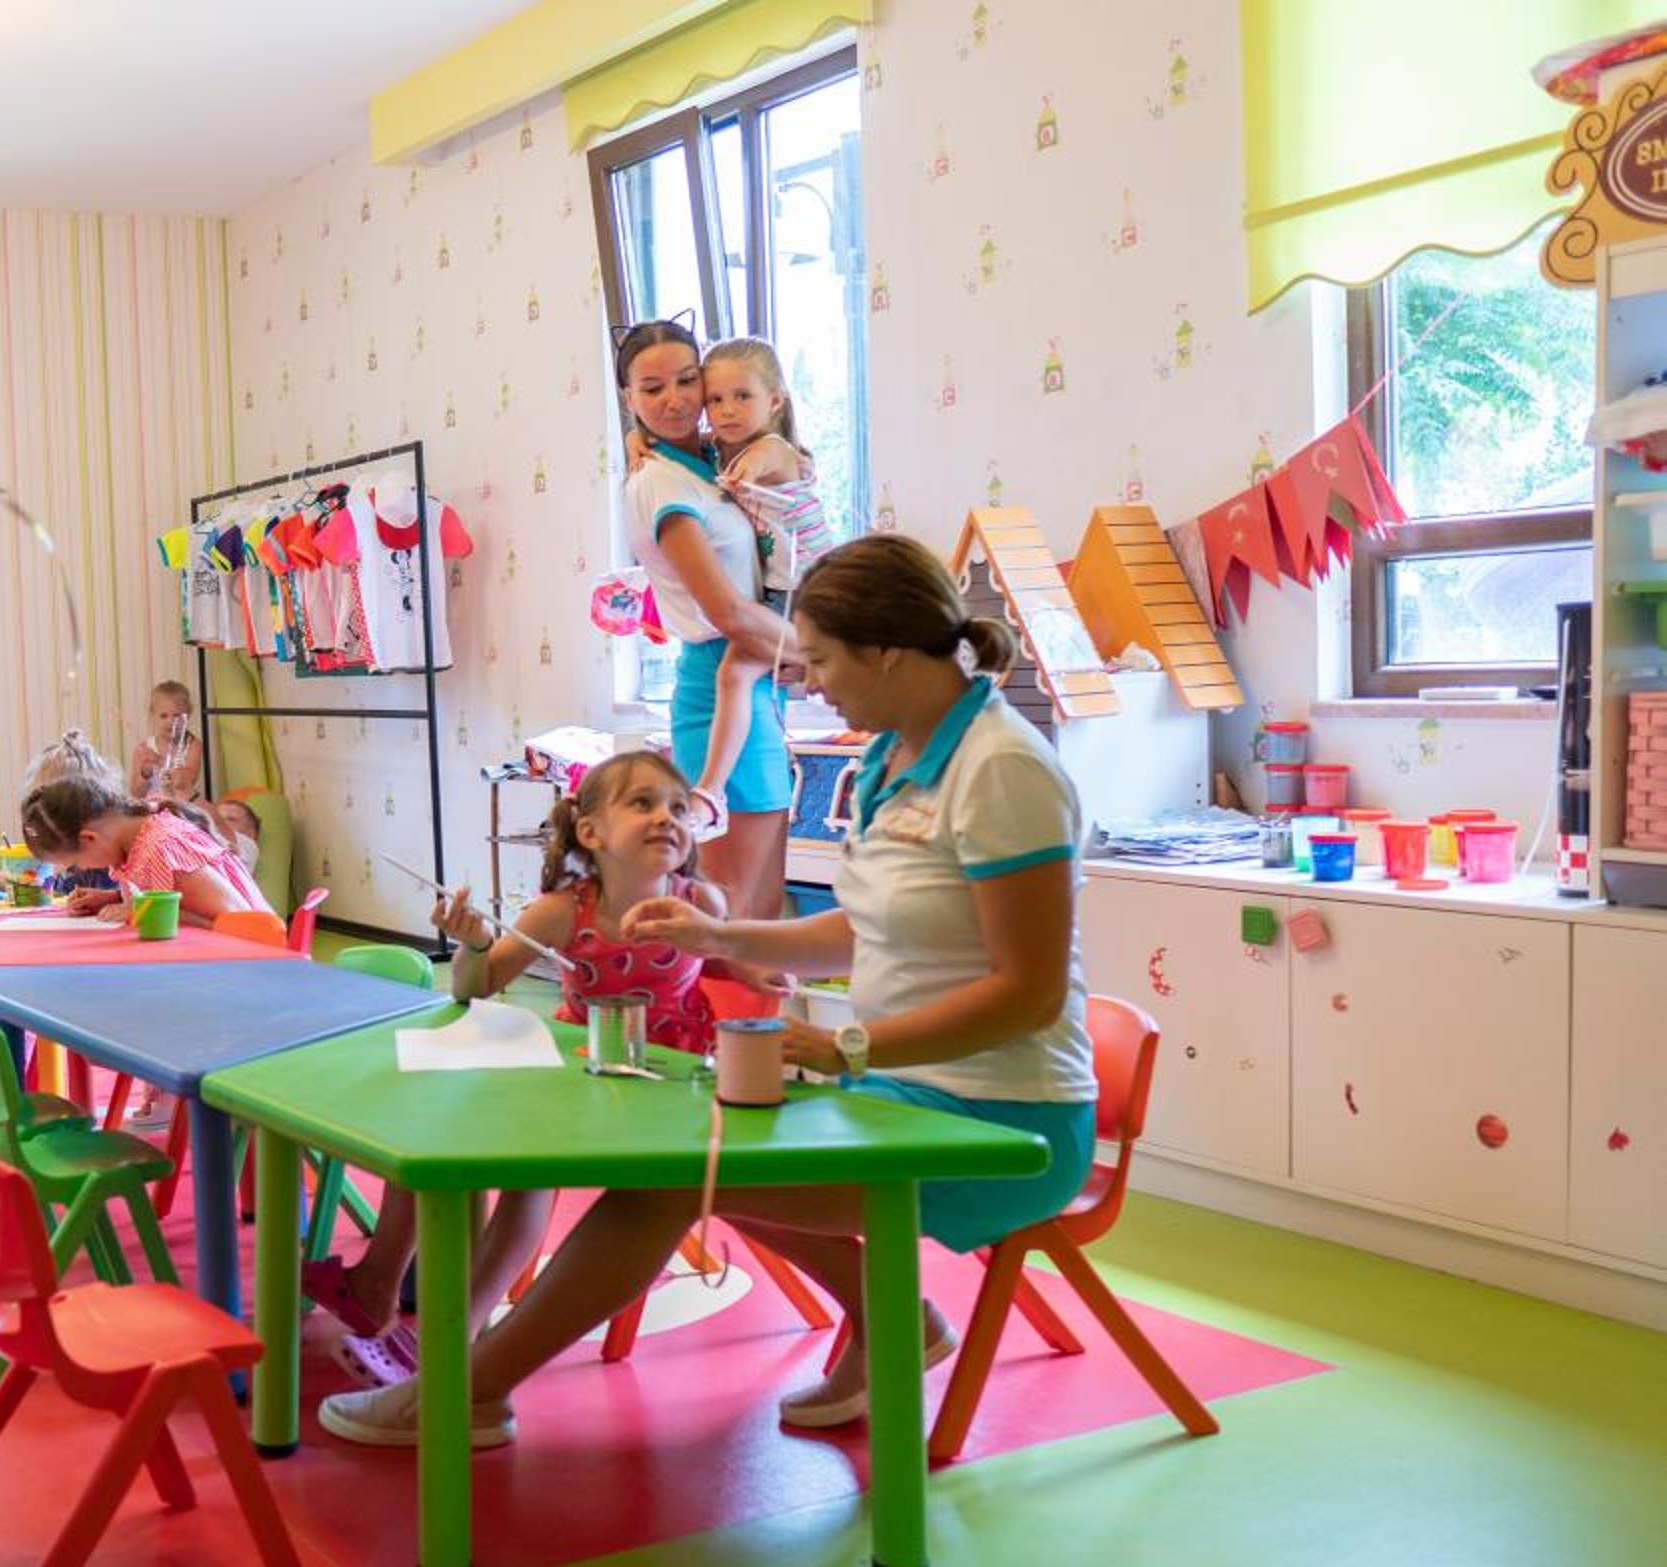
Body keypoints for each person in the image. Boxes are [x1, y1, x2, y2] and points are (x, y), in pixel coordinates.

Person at [317, 535, 1095, 1445]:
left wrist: (848, 1046)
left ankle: (462, 1396)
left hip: (1006, 1122)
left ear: (885, 651)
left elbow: (1028, 995)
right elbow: (860, 930)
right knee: (685, 1164)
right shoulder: (892, 759)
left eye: (821, 659)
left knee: (667, 1183)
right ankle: (886, 1313)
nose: (808, 682)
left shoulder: (1002, 769)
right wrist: (716, 936)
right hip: (900, 1093)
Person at [304, 750, 726, 1400]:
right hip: (583, 1077)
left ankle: (436, 1333)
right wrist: (474, 942)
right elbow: (475, 988)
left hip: (674, 1093)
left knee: (526, 1177)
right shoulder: (564, 911)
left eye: (677, 807)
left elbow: (738, 966)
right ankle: (436, 1330)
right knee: (461, 1128)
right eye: (643, 803)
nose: (667, 818)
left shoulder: (701, 903)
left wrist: (767, 977)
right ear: (591, 832)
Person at [617, 318, 797, 922]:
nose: (674, 400)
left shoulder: (715, 461)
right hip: (721, 680)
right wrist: (820, 656)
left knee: (760, 908)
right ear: (629, 398)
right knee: (733, 912)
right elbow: (726, 611)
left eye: (687, 381)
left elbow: (784, 460)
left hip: (758, 679)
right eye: (651, 389)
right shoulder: (659, 482)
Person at [692, 336, 841, 813]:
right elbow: (671, 440)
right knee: (745, 673)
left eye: (742, 396)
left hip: (810, 588)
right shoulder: (724, 447)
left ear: (774, 401)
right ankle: (712, 789)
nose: (726, 410)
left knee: (736, 672)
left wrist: (737, 478)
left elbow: (757, 464)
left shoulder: (775, 450)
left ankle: (709, 791)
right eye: (715, 400)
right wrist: (638, 439)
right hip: (786, 591)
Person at [18, 776, 268, 929]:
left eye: (76, 862)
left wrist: (144, 911)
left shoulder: (164, 845)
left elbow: (237, 920)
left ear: (89, 839)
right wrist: (114, 898)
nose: (81, 869)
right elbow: (178, 897)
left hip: (252, 963)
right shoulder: (133, 843)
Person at [129, 680, 203, 805]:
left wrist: (166, 766)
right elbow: (136, 793)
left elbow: (190, 780)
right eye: (163, 716)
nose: (170, 721)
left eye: (177, 716)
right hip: (152, 808)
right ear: (153, 716)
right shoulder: (143, 749)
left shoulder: (192, 745)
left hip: (183, 808)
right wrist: (145, 773)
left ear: (188, 715)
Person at [211, 797, 264, 879]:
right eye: (218, 818)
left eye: (231, 819)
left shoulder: (250, 846)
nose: (221, 822)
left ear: (251, 834)